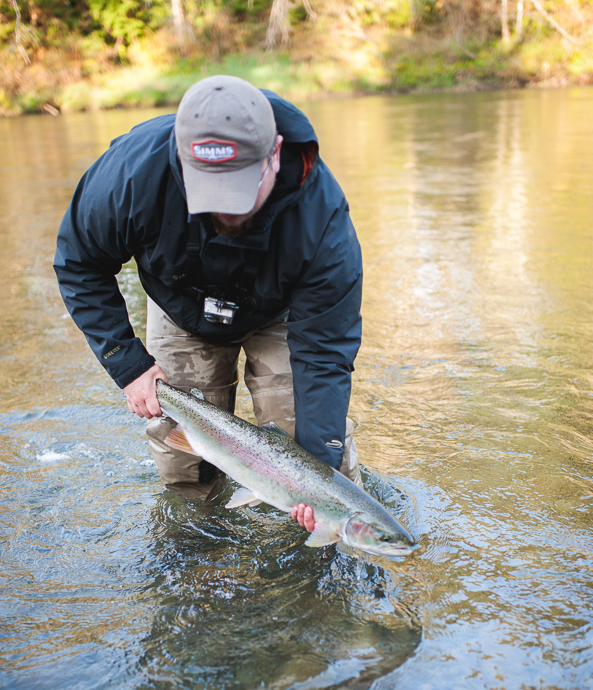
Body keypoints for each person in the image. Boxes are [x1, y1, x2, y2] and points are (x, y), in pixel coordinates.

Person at [54, 75, 363, 533]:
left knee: (317, 460)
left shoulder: (322, 218)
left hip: (283, 313)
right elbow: (79, 262)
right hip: (179, 307)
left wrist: (316, 480)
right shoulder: (131, 174)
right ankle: (198, 560)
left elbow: (324, 351)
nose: (224, 212)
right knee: (184, 466)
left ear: (274, 154)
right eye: (209, 193)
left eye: (238, 191)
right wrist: (128, 364)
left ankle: (324, 578)